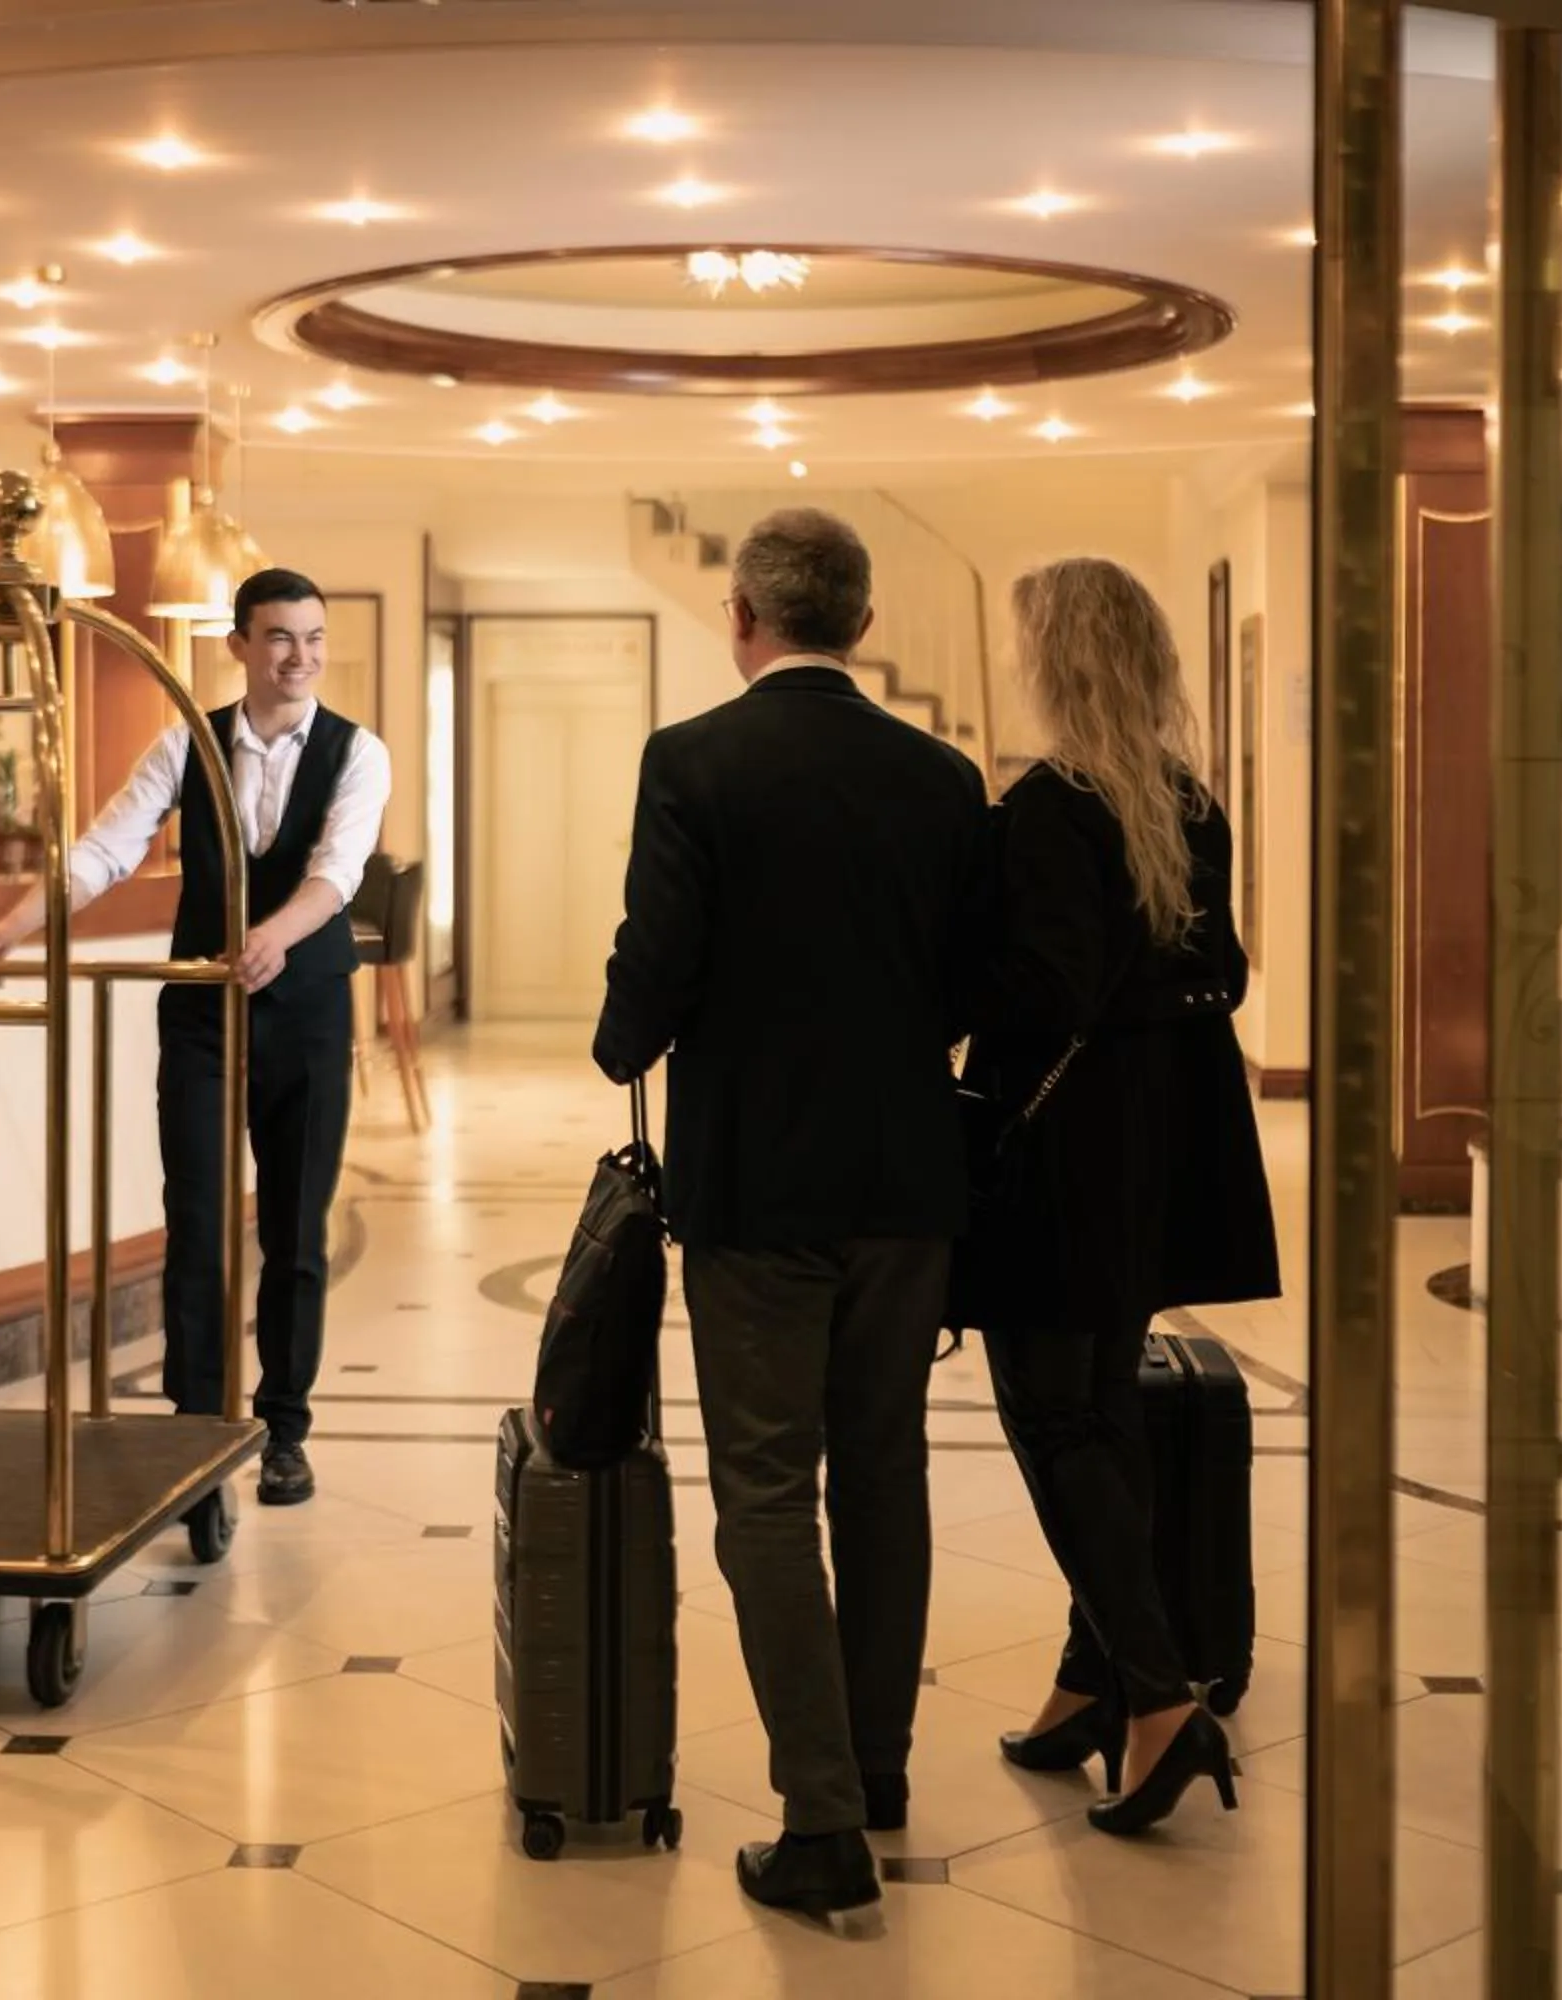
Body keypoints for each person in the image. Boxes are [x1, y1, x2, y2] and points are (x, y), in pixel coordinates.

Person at [592, 508, 991, 1929]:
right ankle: (871, 1772)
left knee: (766, 1491)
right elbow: (967, 986)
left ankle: (821, 1820)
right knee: (884, 1473)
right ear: (863, 626)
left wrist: (619, 1038)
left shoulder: (694, 762)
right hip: (905, 1182)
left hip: (757, 1183)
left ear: (743, 617)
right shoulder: (944, 780)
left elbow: (662, 955)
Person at [957, 555, 1279, 1838]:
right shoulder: (1187, 799)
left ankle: (1154, 1700)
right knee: (1103, 1406)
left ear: (1065, 661)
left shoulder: (1047, 805)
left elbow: (1043, 992)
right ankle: (1092, 1680)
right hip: (1168, 1142)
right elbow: (1229, 970)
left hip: (1067, 1149)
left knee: (1054, 1410)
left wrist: (956, 966)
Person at [0, 568, 391, 1507]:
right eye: (281, 638)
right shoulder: (186, 743)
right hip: (203, 1013)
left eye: (314, 638)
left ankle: (284, 1427)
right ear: (239, 645)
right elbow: (104, 848)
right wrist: (20, 920)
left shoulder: (359, 753)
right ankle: (197, 1432)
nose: (301, 658)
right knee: (198, 1221)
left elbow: (338, 871)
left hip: (309, 1011)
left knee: (294, 1230)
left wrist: (274, 939)